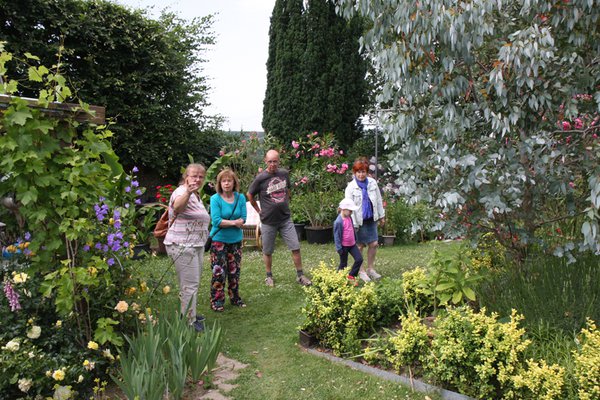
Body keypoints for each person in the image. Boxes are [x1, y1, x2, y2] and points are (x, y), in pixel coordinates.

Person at [247, 149, 312, 287]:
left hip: (285, 219)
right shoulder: (260, 178)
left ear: (279, 161)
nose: (272, 164)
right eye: (270, 161)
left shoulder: (283, 174)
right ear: (265, 161)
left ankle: (300, 275)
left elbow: (288, 188)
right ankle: (269, 276)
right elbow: (250, 195)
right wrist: (259, 211)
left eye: (275, 161)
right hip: (268, 221)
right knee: (268, 250)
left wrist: (286, 201)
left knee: (295, 246)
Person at [163, 163, 210, 332]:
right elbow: (177, 207)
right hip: (182, 245)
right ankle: (189, 322)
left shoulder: (196, 195)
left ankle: (191, 313)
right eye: (194, 176)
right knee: (189, 284)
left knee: (193, 283)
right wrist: (188, 192)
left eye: (200, 176)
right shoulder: (181, 192)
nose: (197, 179)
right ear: (186, 177)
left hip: (194, 245)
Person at [208, 168, 247, 311]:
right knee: (219, 272)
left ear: (234, 182)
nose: (226, 183)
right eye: (223, 181)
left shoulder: (240, 198)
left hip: (236, 240)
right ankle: (217, 301)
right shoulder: (215, 199)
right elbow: (217, 221)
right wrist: (234, 223)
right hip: (219, 240)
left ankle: (235, 298)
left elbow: (244, 218)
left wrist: (237, 222)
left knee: (234, 272)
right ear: (219, 183)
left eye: (229, 180)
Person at [345, 159, 385, 282]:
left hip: (371, 219)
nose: (361, 175)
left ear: (367, 172)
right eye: (358, 172)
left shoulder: (372, 183)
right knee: (360, 246)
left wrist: (382, 216)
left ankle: (370, 269)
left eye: (363, 172)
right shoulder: (351, 187)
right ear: (354, 173)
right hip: (358, 221)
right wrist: (352, 224)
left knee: (373, 244)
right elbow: (348, 207)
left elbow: (378, 200)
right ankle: (361, 271)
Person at [333, 198, 363, 286]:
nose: (351, 212)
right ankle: (337, 279)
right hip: (343, 246)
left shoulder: (349, 217)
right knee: (343, 264)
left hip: (352, 245)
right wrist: (339, 248)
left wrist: (355, 240)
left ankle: (351, 276)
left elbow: (351, 229)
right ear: (343, 209)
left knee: (359, 259)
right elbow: (337, 236)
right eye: (350, 210)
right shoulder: (338, 222)